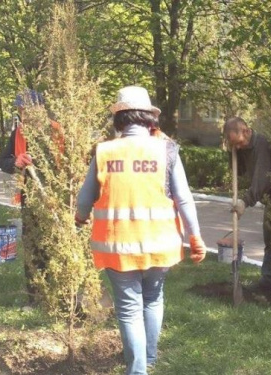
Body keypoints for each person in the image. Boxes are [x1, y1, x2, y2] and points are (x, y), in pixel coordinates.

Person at [76, 86, 206, 375]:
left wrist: (79, 217)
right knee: (153, 298)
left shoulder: (105, 151)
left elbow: (85, 199)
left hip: (118, 246)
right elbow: (183, 197)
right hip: (161, 245)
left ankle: (137, 370)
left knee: (128, 307)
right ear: (149, 119)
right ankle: (148, 359)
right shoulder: (167, 149)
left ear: (119, 120)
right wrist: (195, 237)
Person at [223, 117, 271, 300]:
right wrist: (232, 152)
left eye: (238, 142)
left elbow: (262, 180)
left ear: (247, 131)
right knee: (270, 242)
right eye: (234, 144)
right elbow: (239, 172)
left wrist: (244, 202)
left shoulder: (261, 144)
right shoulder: (244, 147)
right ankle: (268, 280)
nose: (238, 147)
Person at [0, 89, 57, 305]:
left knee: (54, 244)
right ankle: (35, 295)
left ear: (40, 109)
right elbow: (3, 161)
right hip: (30, 198)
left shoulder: (56, 132)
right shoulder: (18, 133)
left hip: (55, 198)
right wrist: (16, 162)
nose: (24, 114)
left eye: (27, 109)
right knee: (32, 245)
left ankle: (58, 291)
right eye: (21, 110)